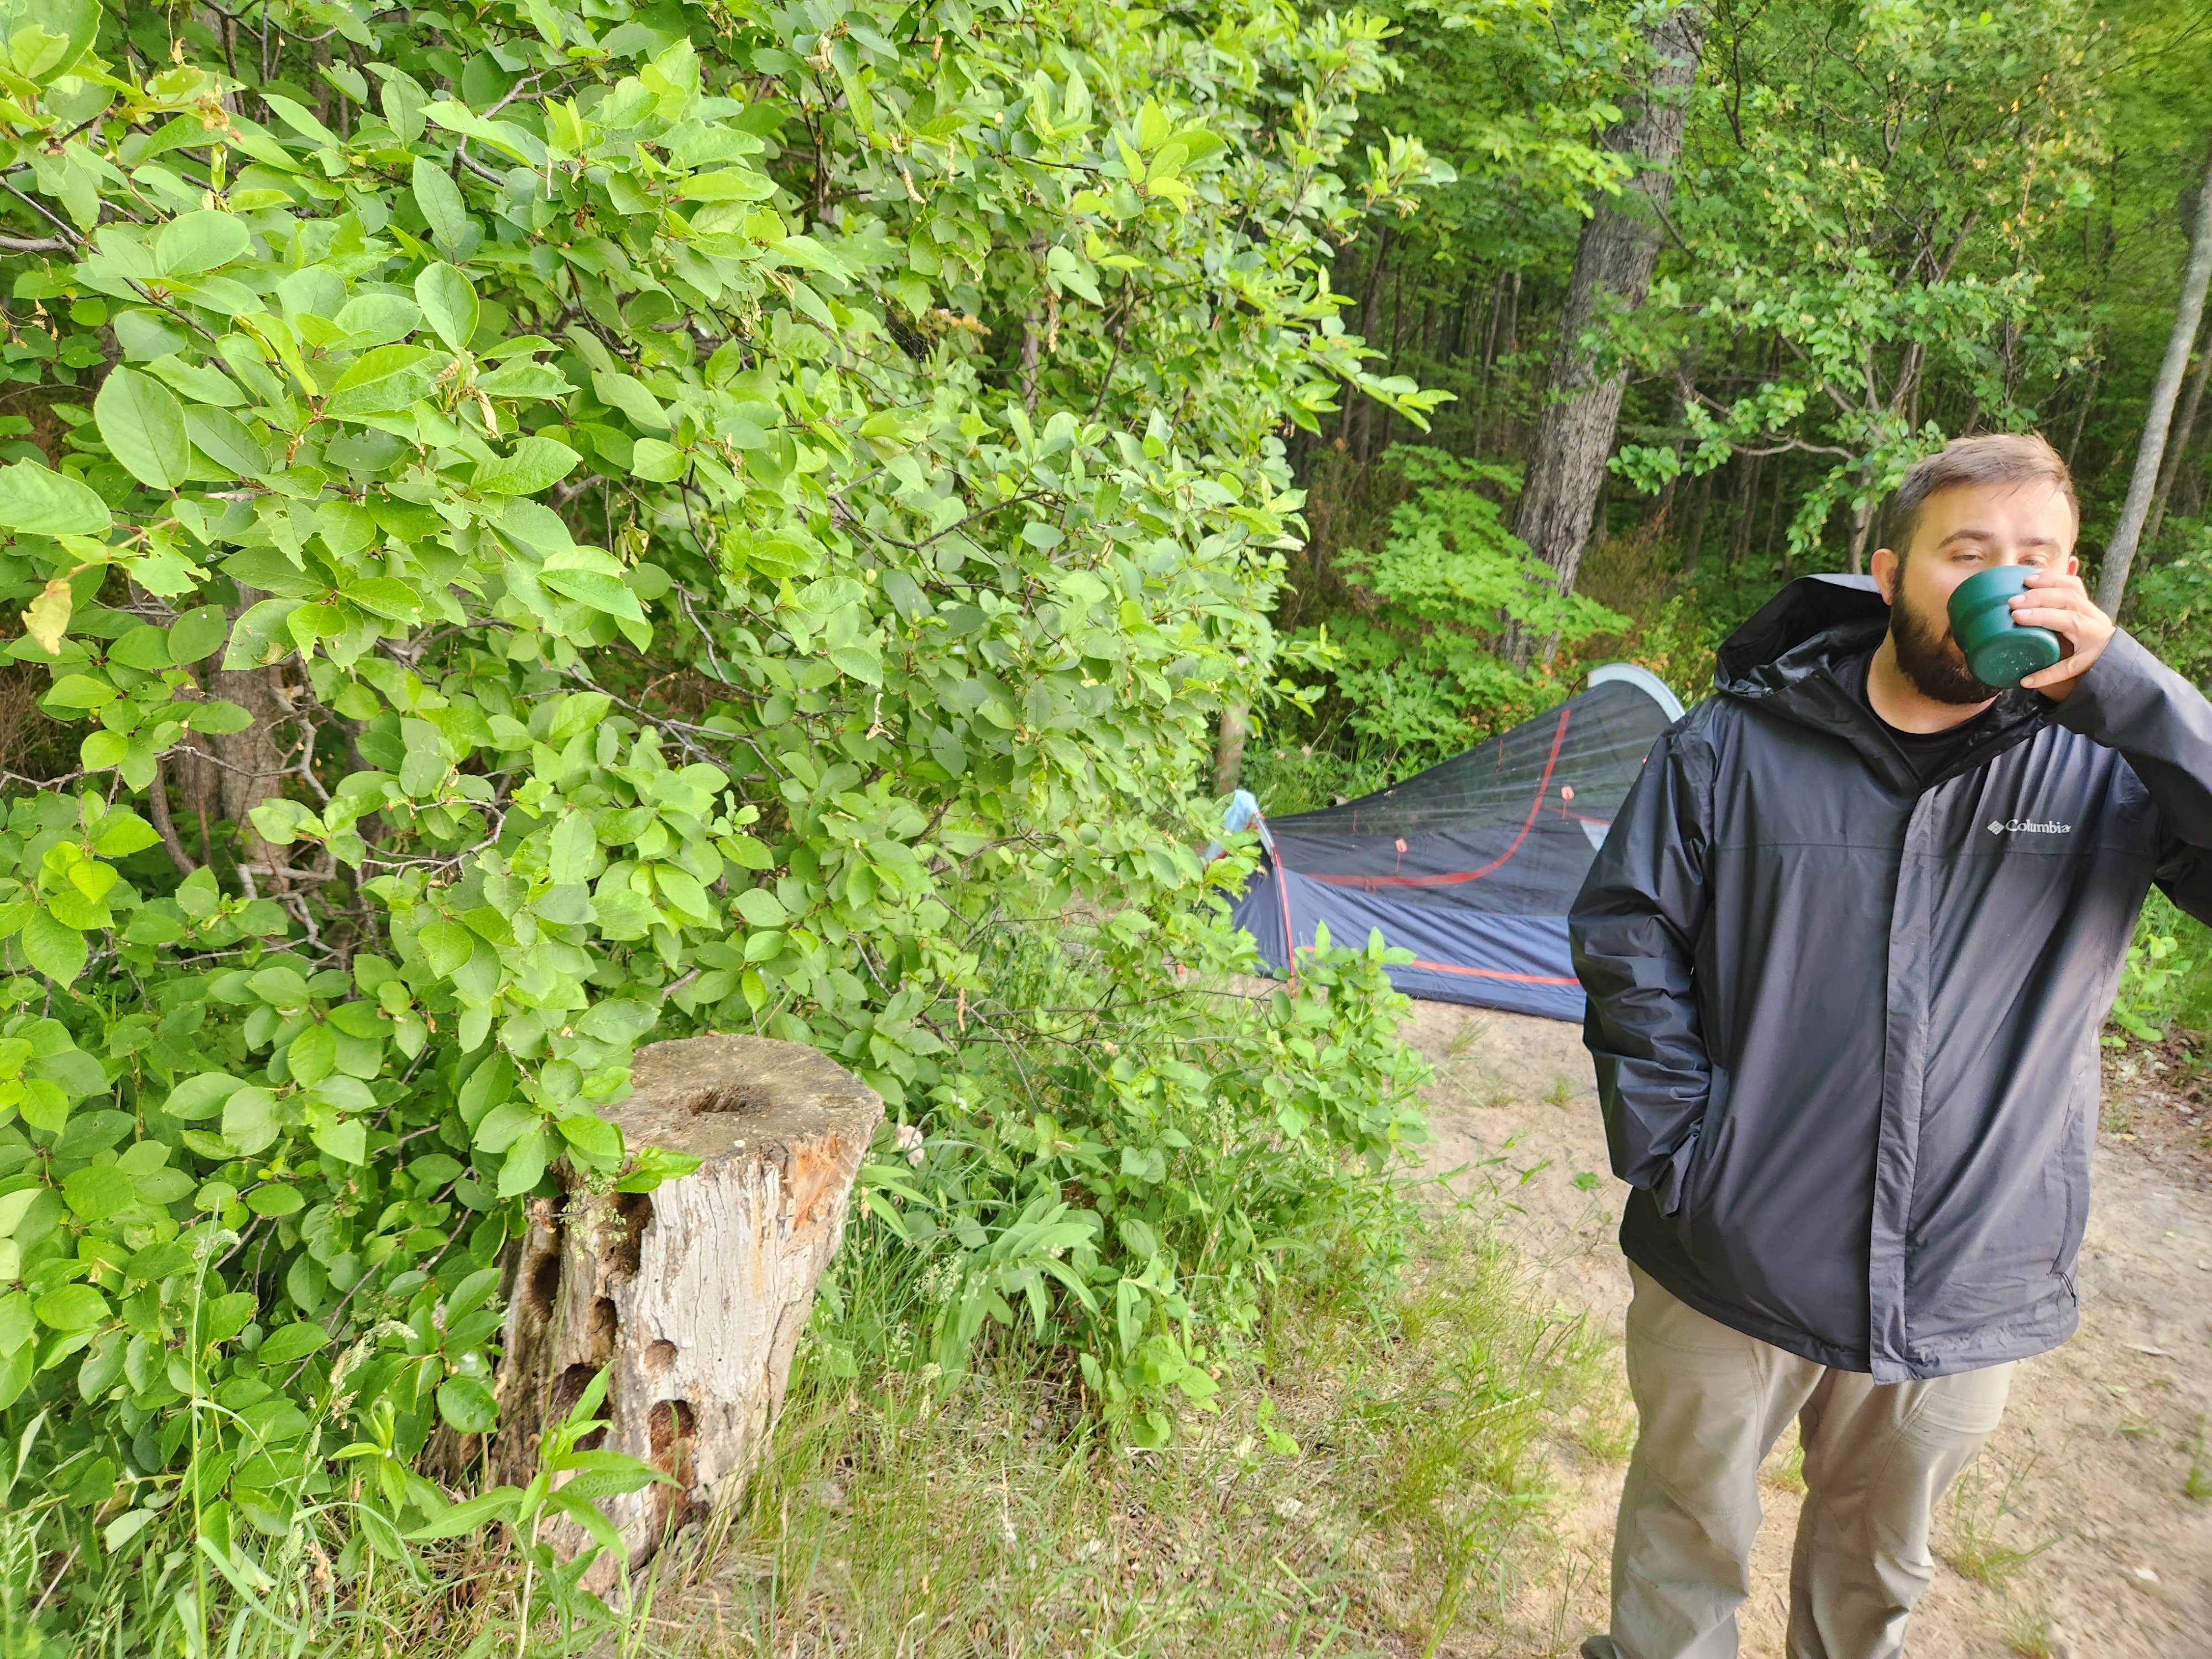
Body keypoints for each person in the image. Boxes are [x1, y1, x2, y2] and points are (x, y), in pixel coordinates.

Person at [1567, 432, 2212, 1659]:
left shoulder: (2112, 766)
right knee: (1680, 1550)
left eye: (2038, 557)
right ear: (1887, 571)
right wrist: (1681, 1153)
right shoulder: (1735, 743)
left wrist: (2130, 690)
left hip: (1962, 1274)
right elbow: (1626, 935)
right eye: (1967, 551)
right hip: (1731, 1255)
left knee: (1872, 1584)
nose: (2004, 579)